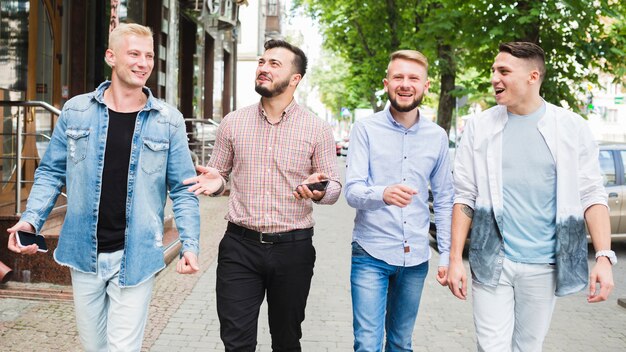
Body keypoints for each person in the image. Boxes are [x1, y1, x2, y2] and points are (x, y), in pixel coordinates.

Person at [7, 23, 200, 351]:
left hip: (136, 254)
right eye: (134, 54)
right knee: (94, 347)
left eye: (149, 55)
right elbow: (52, 172)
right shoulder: (76, 111)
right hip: (84, 252)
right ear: (111, 56)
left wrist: (190, 244)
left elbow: (183, 188)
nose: (144, 63)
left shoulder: (168, 120)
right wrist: (31, 220)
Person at [447, 42, 615, 351]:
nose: (494, 78)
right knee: (491, 346)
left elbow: (591, 195)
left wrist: (604, 258)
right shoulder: (480, 127)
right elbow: (465, 195)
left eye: (504, 71)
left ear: (532, 76)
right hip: (491, 258)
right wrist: (455, 258)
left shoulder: (571, 128)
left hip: (545, 264)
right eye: (493, 71)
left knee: (528, 346)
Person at [183, 39, 341, 351]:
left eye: (274, 64)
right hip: (239, 248)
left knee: (286, 340)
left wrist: (318, 190)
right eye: (261, 62)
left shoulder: (316, 129)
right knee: (236, 342)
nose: (263, 68)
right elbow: (220, 176)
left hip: (293, 249)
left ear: (295, 79)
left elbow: (334, 187)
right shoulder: (233, 122)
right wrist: (217, 184)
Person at [344, 50, 454, 351]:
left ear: (426, 85)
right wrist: (383, 193)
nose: (406, 84)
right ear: (387, 83)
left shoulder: (437, 137)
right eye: (398, 77)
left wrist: (446, 255)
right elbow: (352, 191)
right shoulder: (365, 129)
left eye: (413, 78)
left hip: (416, 257)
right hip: (370, 252)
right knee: (367, 344)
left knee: (401, 344)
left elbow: (445, 199)